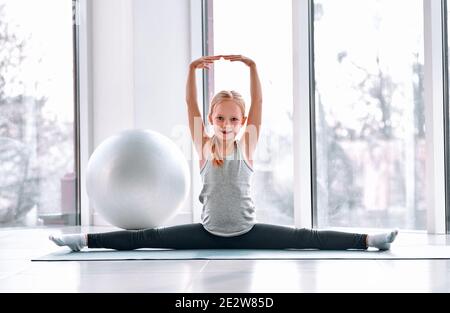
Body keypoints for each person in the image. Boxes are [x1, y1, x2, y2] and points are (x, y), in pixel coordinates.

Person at [50, 55, 398, 252]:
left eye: (234, 119)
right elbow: (190, 105)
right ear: (213, 120)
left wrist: (252, 67)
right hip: (207, 231)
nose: (227, 123)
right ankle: (81, 240)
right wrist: (189, 72)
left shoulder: (247, 145)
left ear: (242, 121)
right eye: (220, 118)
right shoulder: (204, 146)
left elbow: (259, 102)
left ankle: (368, 239)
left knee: (305, 237)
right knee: (146, 238)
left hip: (248, 230)